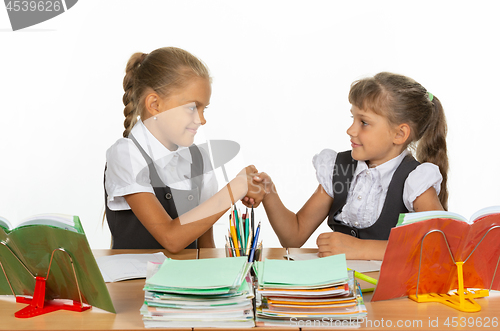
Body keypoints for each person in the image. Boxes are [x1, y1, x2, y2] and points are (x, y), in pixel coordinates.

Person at [245, 72, 448, 260]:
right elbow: (294, 237)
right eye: (353, 118)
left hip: (386, 297)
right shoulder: (338, 170)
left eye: (364, 122)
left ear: (399, 134)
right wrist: (269, 193)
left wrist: (360, 249)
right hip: (339, 294)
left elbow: (437, 247)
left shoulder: (415, 181)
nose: (350, 130)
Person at [105, 47, 257, 252]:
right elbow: (171, 238)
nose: (202, 120)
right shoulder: (127, 154)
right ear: (155, 104)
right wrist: (234, 190)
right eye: (192, 108)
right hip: (137, 283)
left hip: (187, 283)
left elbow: (205, 247)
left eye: (204, 109)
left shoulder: (199, 158)